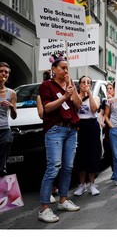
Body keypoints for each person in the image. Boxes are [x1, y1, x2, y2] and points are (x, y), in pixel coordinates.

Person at [38, 54, 82, 223]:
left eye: (67, 68)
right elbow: (47, 108)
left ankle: (63, 200)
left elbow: (78, 105)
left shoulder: (70, 86)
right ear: (53, 70)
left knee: (68, 167)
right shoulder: (46, 86)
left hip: (71, 130)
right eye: (62, 68)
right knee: (53, 167)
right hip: (55, 130)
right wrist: (64, 97)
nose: (66, 71)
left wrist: (72, 90)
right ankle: (44, 208)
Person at [73, 76, 102, 196]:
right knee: (80, 155)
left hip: (92, 126)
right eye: (83, 82)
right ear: (79, 84)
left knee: (92, 155)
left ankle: (92, 184)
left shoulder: (95, 97)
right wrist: (80, 95)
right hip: (80, 126)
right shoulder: (75, 97)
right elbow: (77, 107)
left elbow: (94, 109)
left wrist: (89, 94)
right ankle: (82, 184)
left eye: (89, 82)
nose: (86, 84)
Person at [36, 70, 59, 203]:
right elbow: (41, 114)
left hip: (59, 129)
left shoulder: (59, 92)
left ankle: (55, 188)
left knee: (59, 163)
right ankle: (48, 191)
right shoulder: (41, 96)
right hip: (50, 129)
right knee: (50, 164)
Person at [0, 62, 17, 177]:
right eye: (1, 71)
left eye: (6, 72)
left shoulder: (11, 93)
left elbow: (14, 116)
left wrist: (11, 106)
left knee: (2, 166)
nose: (3, 73)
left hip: (5, 129)